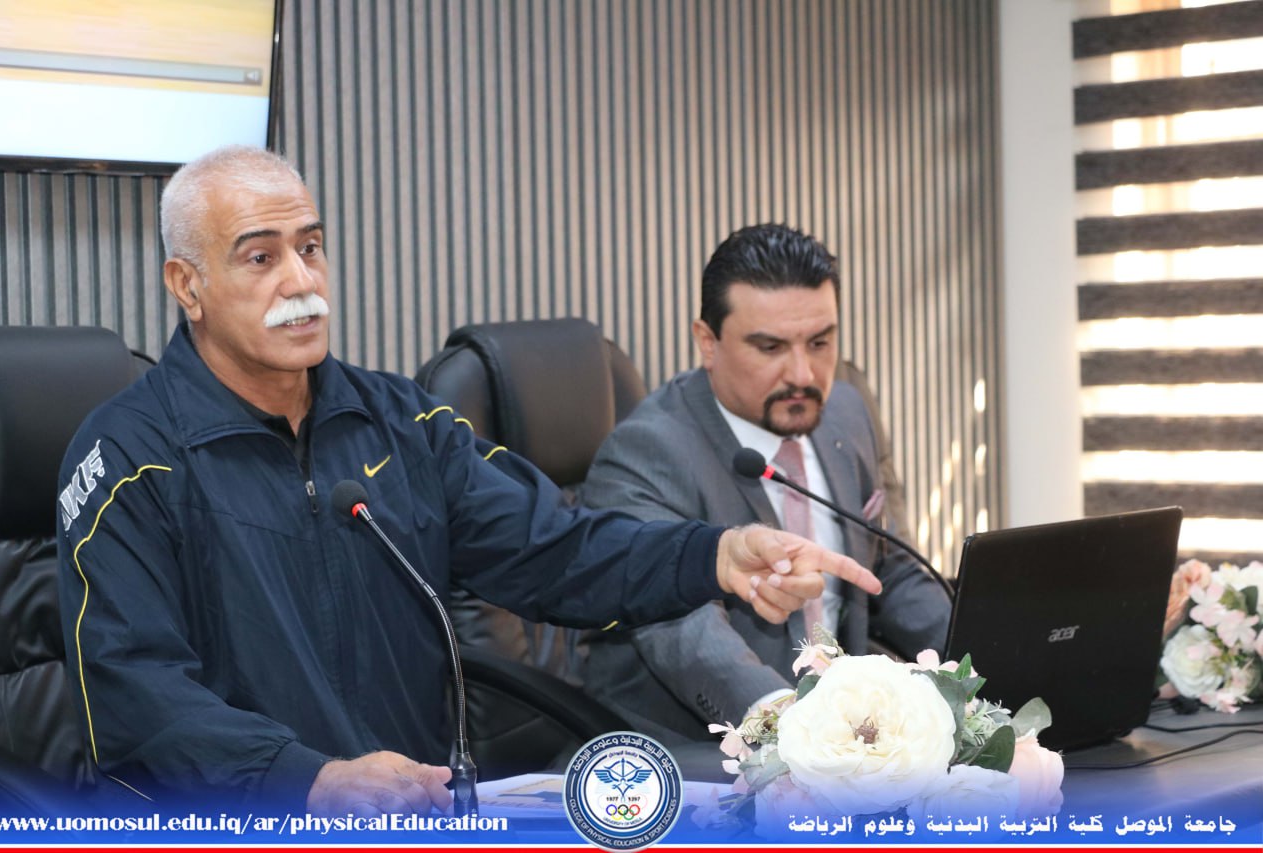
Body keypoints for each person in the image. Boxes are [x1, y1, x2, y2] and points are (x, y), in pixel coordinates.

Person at [55, 149, 883, 815]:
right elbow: (134, 690)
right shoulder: (129, 457)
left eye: (310, 247)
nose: (301, 282)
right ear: (187, 285)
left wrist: (714, 555)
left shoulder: (400, 424)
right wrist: (307, 779)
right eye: (260, 258)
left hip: (415, 809)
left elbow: (557, 550)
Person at [579, 223, 951, 743]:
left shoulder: (845, 410)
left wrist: (986, 669)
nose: (803, 374)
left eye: (820, 343)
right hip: (700, 746)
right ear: (708, 343)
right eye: (771, 347)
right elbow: (684, 629)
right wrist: (795, 728)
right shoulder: (647, 452)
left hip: (854, 731)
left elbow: (890, 569)